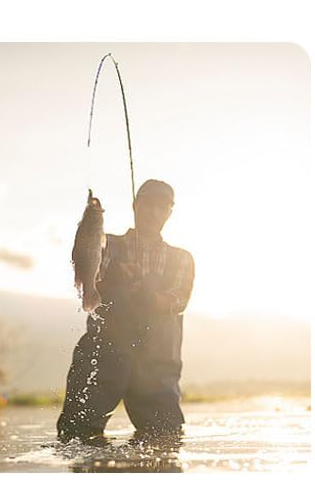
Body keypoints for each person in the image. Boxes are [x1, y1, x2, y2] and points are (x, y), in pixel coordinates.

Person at [57, 179, 194, 447]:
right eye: (148, 205)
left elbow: (179, 301)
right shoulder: (106, 244)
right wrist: (90, 222)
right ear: (135, 206)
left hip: (156, 365)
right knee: (75, 437)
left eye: (161, 207)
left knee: (164, 441)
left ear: (169, 212)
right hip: (102, 356)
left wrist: (148, 295)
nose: (153, 212)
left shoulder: (182, 258)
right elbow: (85, 262)